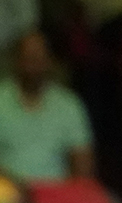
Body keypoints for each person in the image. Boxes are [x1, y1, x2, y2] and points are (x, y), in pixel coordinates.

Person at [0, 32, 95, 184]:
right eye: (28, 59)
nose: (33, 66)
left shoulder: (69, 104)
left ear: (49, 61)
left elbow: (82, 163)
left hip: (56, 193)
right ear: (16, 61)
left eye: (39, 59)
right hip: (7, 193)